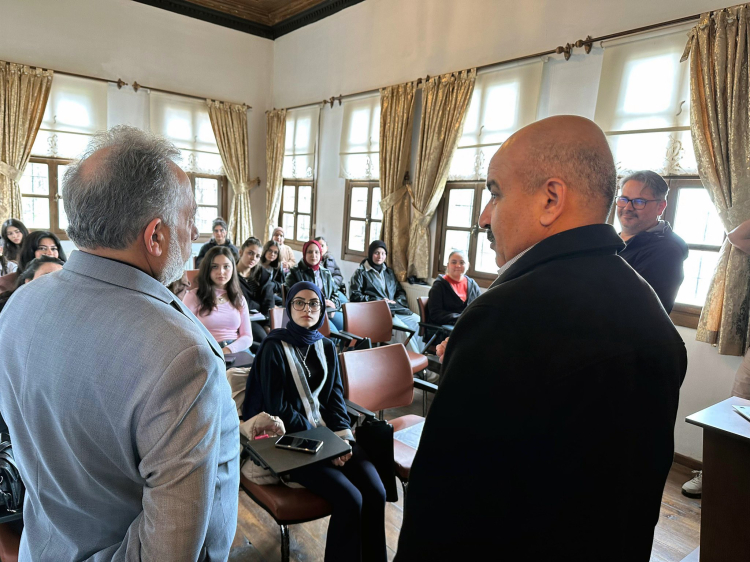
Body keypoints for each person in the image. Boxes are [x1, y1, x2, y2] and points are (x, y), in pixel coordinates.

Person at [395, 116, 687, 562]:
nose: (484, 216)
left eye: (495, 193)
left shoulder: (503, 315)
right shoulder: (650, 311)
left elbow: (447, 501)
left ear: (551, 199)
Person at [0, 126, 239, 560]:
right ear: (155, 236)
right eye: (190, 217)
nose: (195, 231)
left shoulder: (19, 304)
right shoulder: (180, 354)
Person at [243, 281, 387, 562]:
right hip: (292, 443)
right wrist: (327, 446)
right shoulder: (274, 347)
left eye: (313, 303)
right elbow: (278, 409)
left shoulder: (327, 346)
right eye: (299, 302)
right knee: (350, 499)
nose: (306, 309)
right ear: (289, 307)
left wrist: (343, 440)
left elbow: (335, 400)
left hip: (331, 437)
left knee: (375, 490)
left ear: (321, 310)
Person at [616, 170, 688, 313]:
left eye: (639, 202)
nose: (627, 208)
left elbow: (637, 311)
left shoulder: (666, 252)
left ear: (660, 207)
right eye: (623, 199)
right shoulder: (610, 242)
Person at [349, 240, 422, 353]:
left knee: (419, 322)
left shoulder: (389, 272)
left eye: (383, 253)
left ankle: (421, 356)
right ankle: (411, 359)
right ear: (370, 254)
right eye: (376, 253)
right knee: (403, 330)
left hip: (395, 309)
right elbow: (355, 297)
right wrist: (379, 301)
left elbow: (400, 291)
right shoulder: (360, 273)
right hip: (377, 312)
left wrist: (396, 301)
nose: (380, 256)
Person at [184, 245, 253, 354]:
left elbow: (247, 336)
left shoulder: (239, 298)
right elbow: (185, 333)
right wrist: (216, 352)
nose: (221, 272)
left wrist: (227, 350)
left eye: (226, 267)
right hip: (208, 350)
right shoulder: (193, 296)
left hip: (236, 349)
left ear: (233, 269)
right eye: (215, 266)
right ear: (207, 269)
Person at [285, 239, 343, 330]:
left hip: (328, 311)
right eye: (310, 252)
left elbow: (335, 294)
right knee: (334, 333)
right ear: (304, 253)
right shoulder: (294, 273)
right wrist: (319, 304)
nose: (313, 255)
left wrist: (333, 304)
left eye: (317, 252)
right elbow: (292, 299)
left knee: (347, 327)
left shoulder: (326, 273)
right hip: (309, 313)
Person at [236, 237, 275, 348]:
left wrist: (267, 325)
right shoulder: (231, 273)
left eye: (257, 256)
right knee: (264, 343)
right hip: (242, 319)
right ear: (241, 252)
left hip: (262, 318)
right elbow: (240, 301)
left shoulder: (262, 274)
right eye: (250, 253)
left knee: (276, 341)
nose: (253, 258)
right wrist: (258, 305)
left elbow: (268, 300)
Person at [427, 249, 481, 327]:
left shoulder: (473, 285)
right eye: (454, 262)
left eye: (462, 262)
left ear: (468, 265)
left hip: (468, 326)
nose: (458, 265)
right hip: (444, 328)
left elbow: (480, 307)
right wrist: (460, 318)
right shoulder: (439, 286)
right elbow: (435, 314)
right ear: (448, 265)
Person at [260, 239, 285, 305]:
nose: (272, 254)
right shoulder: (257, 263)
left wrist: (272, 285)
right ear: (265, 250)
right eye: (270, 251)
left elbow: (281, 284)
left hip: (269, 293)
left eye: (275, 252)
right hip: (257, 293)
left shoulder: (278, 266)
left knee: (285, 303)